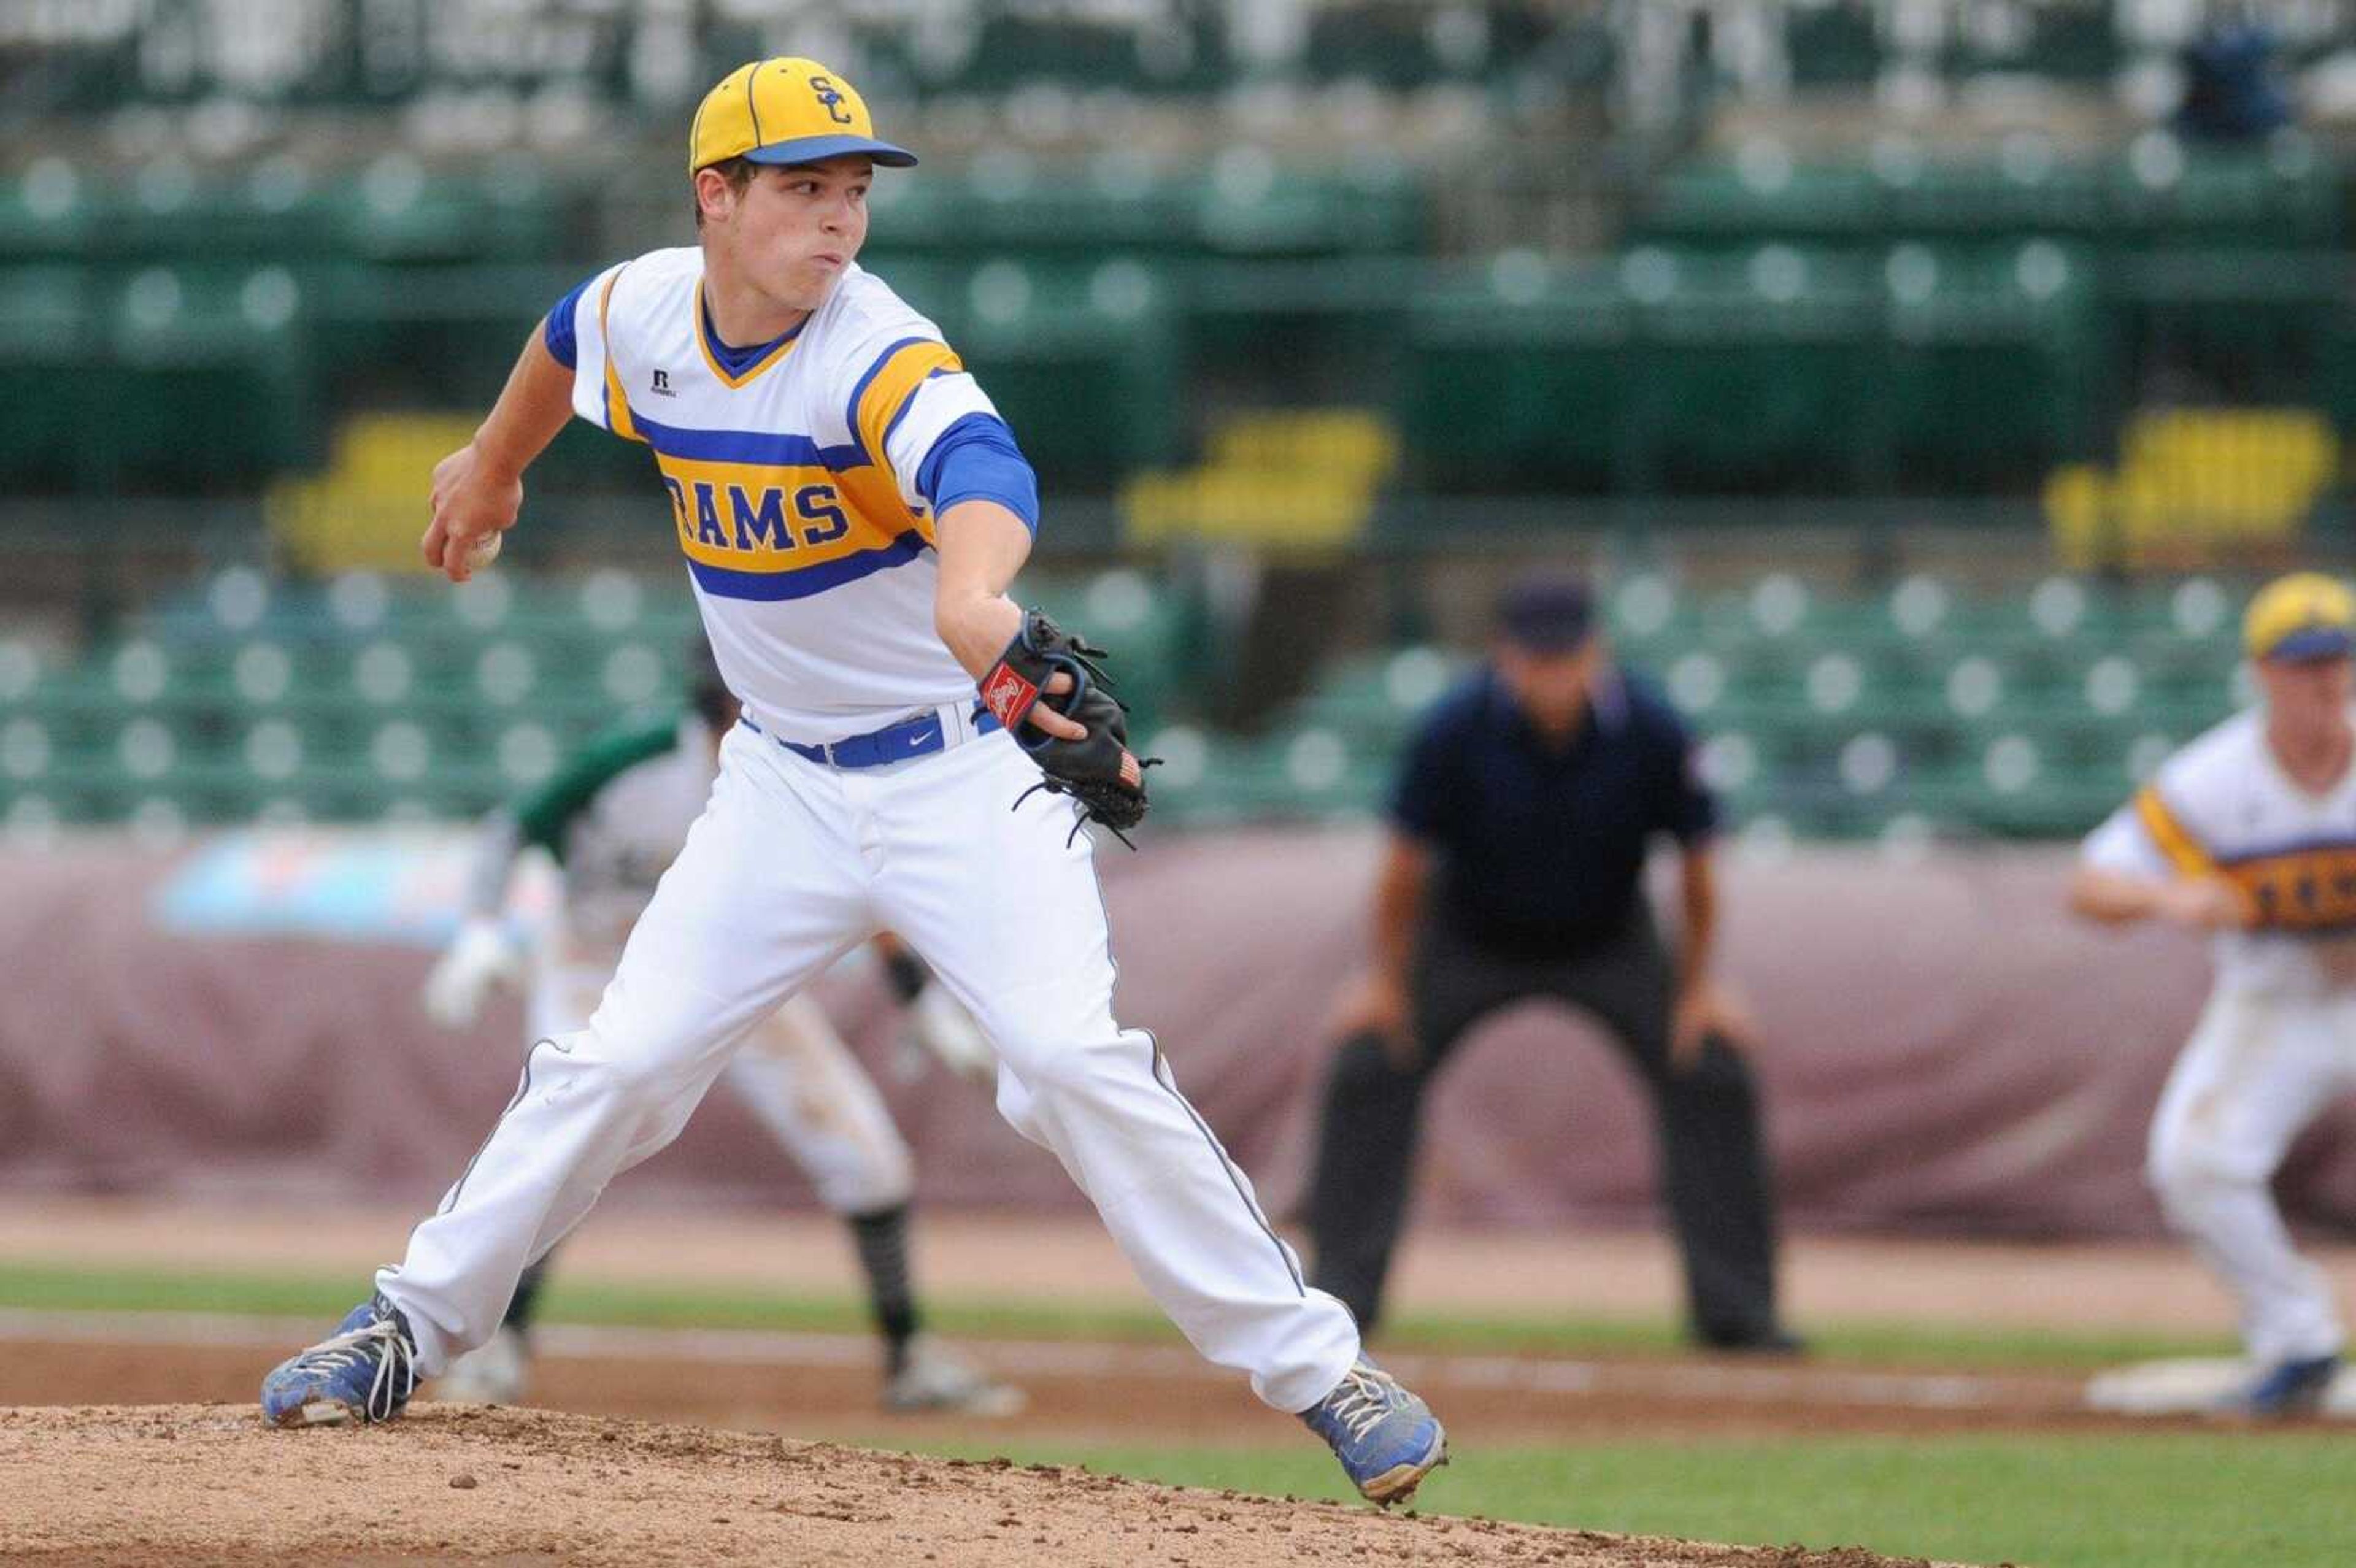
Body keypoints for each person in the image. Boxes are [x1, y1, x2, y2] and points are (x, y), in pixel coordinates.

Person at [258, 56, 1445, 1506]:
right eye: (804, 190)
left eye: (855, 193)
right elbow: (567, 340)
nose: (838, 224)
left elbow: (981, 467)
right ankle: (404, 1328)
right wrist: (496, 462)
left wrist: (973, 596)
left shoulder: (872, 350)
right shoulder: (648, 312)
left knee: (1069, 1062)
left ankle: (1327, 1374)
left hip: (959, 787)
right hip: (776, 790)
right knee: (618, 1062)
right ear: (716, 197)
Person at [419, 648, 1017, 1415]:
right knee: (564, 1137)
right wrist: (479, 928)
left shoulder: (807, 774)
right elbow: (513, 830)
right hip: (596, 962)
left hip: (730, 968)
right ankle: (499, 1346)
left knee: (868, 1157)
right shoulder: (640, 763)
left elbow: (863, 884)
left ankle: (910, 1358)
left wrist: (918, 997)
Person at [1303, 573, 1793, 1353]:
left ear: (1595, 654)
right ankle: (1338, 1305)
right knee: (1369, 1060)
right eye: (1537, 659)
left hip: (1609, 933)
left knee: (1712, 1066)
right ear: (1506, 657)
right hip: (1470, 930)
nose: (1553, 676)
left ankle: (1739, 1314)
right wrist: (1387, 984)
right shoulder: (1455, 728)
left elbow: (1698, 866)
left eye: (1568, 658)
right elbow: (1402, 869)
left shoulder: (1654, 727)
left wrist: (1699, 990)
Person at [2070, 571, 2356, 1417]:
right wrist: (2173, 897)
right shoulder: (2217, 778)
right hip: (2278, 1002)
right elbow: (2090, 883)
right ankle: (2298, 1342)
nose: (2326, 680)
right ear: (2265, 673)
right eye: (2304, 664)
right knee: (2194, 1162)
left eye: (2337, 660)